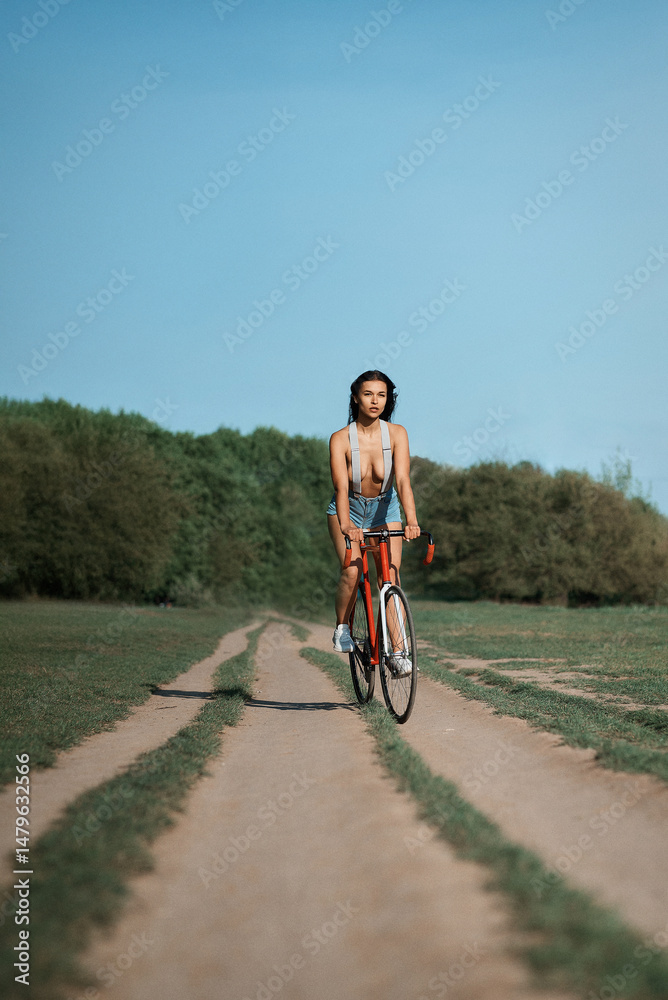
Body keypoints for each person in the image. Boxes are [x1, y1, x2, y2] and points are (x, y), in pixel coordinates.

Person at [327, 370, 420, 673]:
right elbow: (341, 488)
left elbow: (403, 481)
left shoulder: (397, 434)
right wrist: (345, 526)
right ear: (356, 397)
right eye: (368, 394)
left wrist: (411, 520)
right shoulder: (340, 439)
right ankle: (342, 627)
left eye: (381, 395)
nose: (375, 401)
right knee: (351, 572)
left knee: (390, 580)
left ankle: (397, 653)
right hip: (349, 510)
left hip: (386, 510)